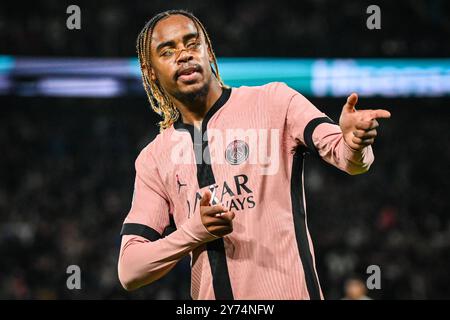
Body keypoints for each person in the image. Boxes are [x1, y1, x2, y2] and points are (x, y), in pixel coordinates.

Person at [117, 9, 391, 300]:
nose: (184, 54)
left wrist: (356, 142)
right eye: (167, 50)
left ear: (207, 49)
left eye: (191, 43)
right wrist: (193, 231)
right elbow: (130, 270)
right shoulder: (154, 158)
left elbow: (348, 158)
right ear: (150, 71)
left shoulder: (274, 101)